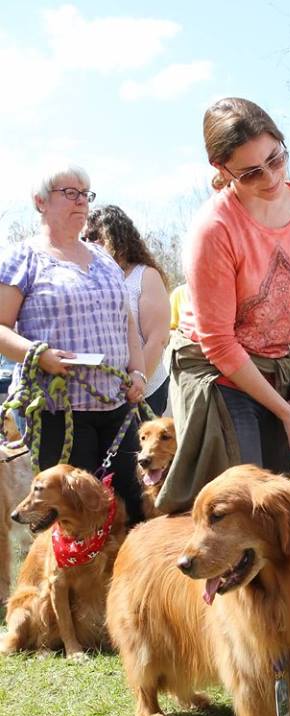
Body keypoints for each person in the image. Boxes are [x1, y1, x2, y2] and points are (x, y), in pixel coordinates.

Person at [159, 97, 290, 512]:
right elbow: (218, 342)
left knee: (289, 507)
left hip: (278, 365)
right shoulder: (214, 229)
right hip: (219, 374)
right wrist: (285, 414)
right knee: (242, 508)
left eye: (276, 158)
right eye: (251, 172)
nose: (270, 177)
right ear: (222, 170)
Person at [0, 164, 146, 523]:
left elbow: (126, 321)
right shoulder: (24, 257)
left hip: (116, 405)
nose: (81, 201)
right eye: (70, 193)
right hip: (57, 409)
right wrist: (40, 356)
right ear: (40, 202)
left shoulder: (104, 258)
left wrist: (139, 371)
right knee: (78, 517)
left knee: (133, 509)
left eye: (85, 194)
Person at [83, 205, 171, 416]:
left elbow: (157, 339)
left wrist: (137, 383)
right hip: (101, 395)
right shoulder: (87, 279)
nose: (87, 244)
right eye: (84, 238)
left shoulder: (145, 276)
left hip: (142, 392)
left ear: (117, 237)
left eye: (94, 237)